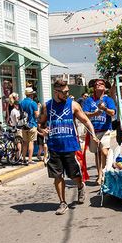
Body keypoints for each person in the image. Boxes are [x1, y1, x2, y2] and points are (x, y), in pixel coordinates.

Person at [38, 80, 98, 215]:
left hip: (70, 146)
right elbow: (40, 124)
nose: (67, 94)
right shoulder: (47, 106)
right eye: (64, 92)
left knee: (73, 175)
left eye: (67, 91)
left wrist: (93, 134)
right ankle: (62, 202)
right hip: (54, 146)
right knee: (57, 176)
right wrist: (43, 131)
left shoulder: (73, 105)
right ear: (56, 92)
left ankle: (80, 186)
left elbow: (86, 121)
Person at [83, 78, 116, 185]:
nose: (98, 85)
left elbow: (112, 113)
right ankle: (100, 175)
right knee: (97, 154)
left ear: (105, 87)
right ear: (94, 88)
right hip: (93, 131)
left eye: (101, 84)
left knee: (104, 152)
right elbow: (84, 114)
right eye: (96, 84)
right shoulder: (89, 100)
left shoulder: (108, 100)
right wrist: (94, 114)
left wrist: (104, 109)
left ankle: (106, 171)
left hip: (105, 130)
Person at [20, 87, 39, 165]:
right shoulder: (33, 103)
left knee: (24, 143)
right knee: (31, 142)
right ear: (31, 95)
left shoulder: (21, 103)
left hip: (24, 125)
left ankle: (23, 158)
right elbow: (37, 115)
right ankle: (30, 159)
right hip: (32, 124)